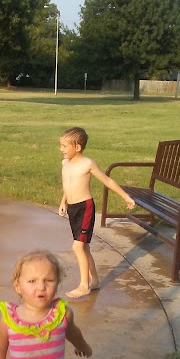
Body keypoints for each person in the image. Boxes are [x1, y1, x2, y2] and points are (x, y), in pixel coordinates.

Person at [59, 126, 136, 298]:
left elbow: (107, 180)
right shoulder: (65, 163)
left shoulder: (88, 164)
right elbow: (67, 185)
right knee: (84, 247)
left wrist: (126, 196)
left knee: (77, 246)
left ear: (77, 147)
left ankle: (83, 285)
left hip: (85, 208)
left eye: (65, 146)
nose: (61, 149)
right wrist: (63, 202)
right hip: (72, 208)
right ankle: (94, 281)